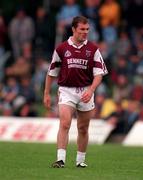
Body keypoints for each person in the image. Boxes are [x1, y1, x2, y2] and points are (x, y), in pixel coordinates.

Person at [43, 16, 108, 168]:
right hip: (66, 90)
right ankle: (60, 159)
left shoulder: (93, 49)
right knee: (65, 123)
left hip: (86, 90)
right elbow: (51, 72)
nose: (85, 32)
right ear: (73, 29)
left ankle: (80, 161)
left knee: (83, 128)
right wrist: (46, 93)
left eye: (87, 29)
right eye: (82, 29)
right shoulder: (61, 48)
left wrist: (91, 90)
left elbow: (99, 74)